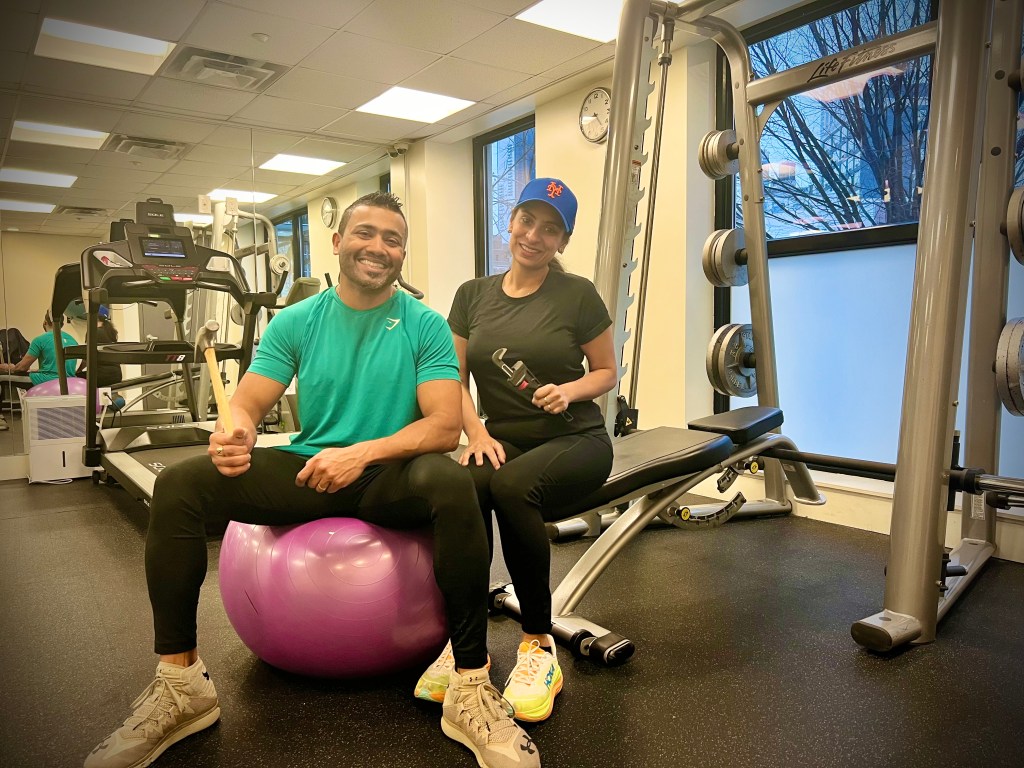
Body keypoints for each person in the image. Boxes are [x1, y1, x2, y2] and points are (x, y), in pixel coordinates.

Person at [84, 192, 540, 768]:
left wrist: (361, 454)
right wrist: (238, 431)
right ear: (337, 242)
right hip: (311, 468)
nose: (377, 247)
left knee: (453, 483)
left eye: (392, 239)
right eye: (365, 233)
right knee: (180, 484)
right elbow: (247, 403)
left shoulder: (423, 324)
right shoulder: (299, 320)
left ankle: (471, 685)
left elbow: (445, 426)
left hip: (387, 475)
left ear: (402, 252)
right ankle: (181, 684)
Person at [413, 177, 617, 723]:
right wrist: (475, 433)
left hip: (576, 439)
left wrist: (569, 390)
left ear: (563, 241)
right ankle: (464, 648)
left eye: (550, 229)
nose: (535, 235)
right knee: (462, 485)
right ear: (511, 222)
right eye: (528, 221)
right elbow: (450, 376)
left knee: (510, 486)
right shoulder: (472, 295)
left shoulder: (577, 295)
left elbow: (605, 371)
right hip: (502, 438)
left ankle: (537, 647)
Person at [0, 310, 77, 387]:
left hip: (46, 380)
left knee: (1, 377)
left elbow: (22, 368)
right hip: (69, 381)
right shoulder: (72, 340)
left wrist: (9, 367)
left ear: (45, 322)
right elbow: (84, 361)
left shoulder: (40, 340)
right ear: (62, 325)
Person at [76, 306, 123, 387]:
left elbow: (87, 356)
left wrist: (77, 371)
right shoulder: (111, 332)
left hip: (100, 376)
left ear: (95, 317)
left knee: (75, 379)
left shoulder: (92, 332)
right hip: (116, 375)